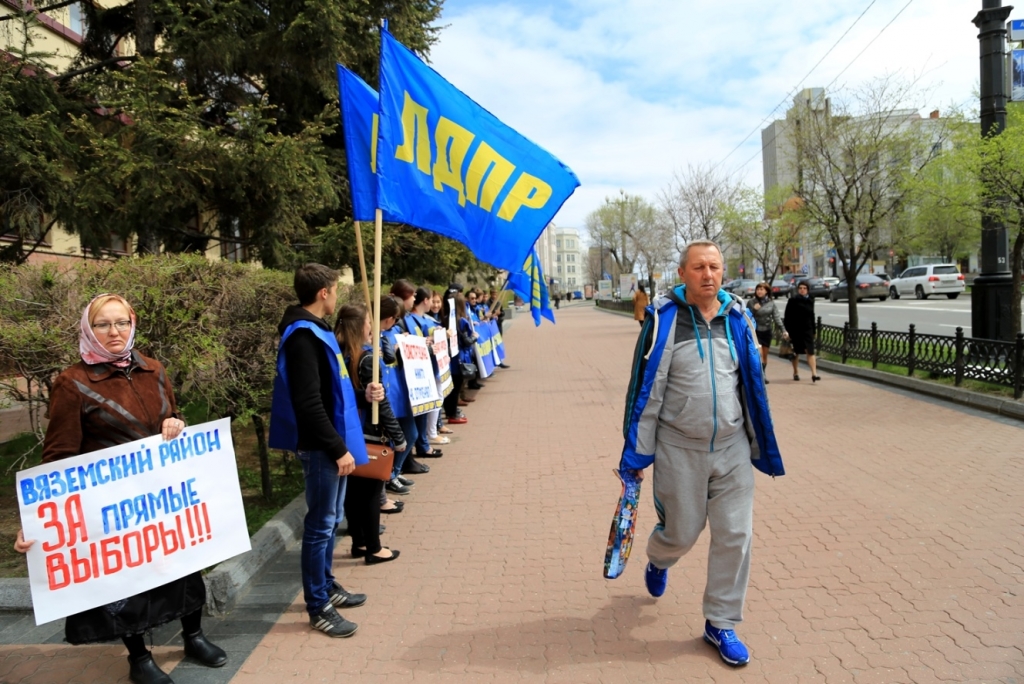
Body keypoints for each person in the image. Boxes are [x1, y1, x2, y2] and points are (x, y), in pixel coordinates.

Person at [14, 293, 227, 684]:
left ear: (132, 324)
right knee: (128, 582)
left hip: (164, 498)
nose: (114, 332)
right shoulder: (73, 383)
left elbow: (171, 416)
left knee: (184, 568)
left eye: (121, 323)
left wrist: (176, 422)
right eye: (103, 324)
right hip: (114, 507)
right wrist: (36, 520)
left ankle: (194, 637)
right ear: (88, 329)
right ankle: (139, 657)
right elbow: (59, 455)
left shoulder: (153, 369)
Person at [620, 240, 785, 667]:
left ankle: (720, 622)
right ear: (683, 273)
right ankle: (660, 559)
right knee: (682, 532)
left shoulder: (738, 317)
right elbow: (644, 390)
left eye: (714, 266)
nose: (708, 274)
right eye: (698, 267)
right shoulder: (664, 320)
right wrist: (635, 457)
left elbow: (751, 385)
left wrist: (758, 442)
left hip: (731, 447)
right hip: (679, 448)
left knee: (735, 534)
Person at [269, 263, 377, 639]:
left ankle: (327, 586)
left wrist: (364, 395)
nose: (337, 295)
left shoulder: (317, 329)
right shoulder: (303, 336)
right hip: (321, 448)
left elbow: (331, 393)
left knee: (330, 521)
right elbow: (308, 403)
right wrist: (336, 448)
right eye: (335, 288)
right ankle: (318, 605)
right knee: (319, 526)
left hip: (331, 444)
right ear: (323, 293)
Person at [334, 304, 404, 564]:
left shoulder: (338, 355)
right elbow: (380, 403)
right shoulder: (366, 360)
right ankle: (374, 548)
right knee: (372, 493)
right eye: (368, 322)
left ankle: (360, 542)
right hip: (369, 434)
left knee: (353, 493)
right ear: (359, 326)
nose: (371, 326)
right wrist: (398, 436)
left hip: (345, 433)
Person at [746, 282, 788, 384]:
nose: (759, 291)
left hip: (767, 331)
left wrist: (783, 330)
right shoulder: (751, 302)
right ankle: (758, 374)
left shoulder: (771, 303)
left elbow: (777, 317)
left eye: (762, 289)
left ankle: (763, 373)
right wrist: (753, 310)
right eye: (758, 289)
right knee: (759, 354)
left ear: (766, 291)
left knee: (764, 355)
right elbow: (746, 316)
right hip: (755, 331)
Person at [783, 280, 820, 382]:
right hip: (795, 330)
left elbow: (812, 315)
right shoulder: (793, 300)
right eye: (800, 288)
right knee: (796, 352)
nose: (802, 290)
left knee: (810, 351)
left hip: (807, 329)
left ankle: (814, 374)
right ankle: (795, 372)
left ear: (808, 290)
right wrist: (788, 331)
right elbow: (787, 316)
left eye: (804, 288)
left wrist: (814, 330)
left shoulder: (811, 300)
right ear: (798, 289)